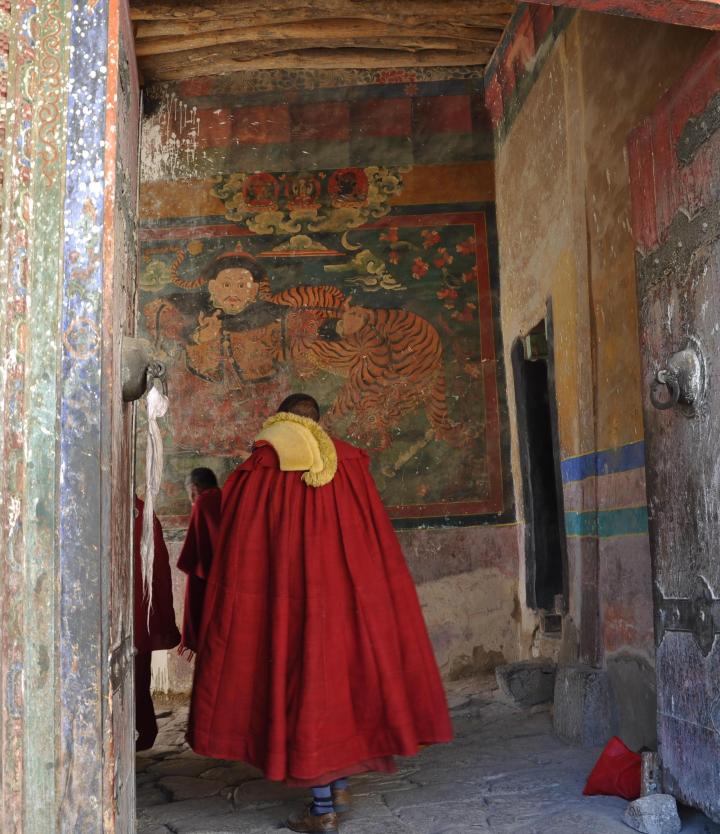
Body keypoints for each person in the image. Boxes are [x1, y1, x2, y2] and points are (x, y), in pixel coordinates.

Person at [187, 394, 452, 832]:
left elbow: (240, 540)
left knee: (306, 690)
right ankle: (340, 784)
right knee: (339, 689)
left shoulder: (261, 466)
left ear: (280, 419)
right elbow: (370, 534)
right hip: (345, 597)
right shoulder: (347, 460)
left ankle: (323, 807)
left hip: (287, 599)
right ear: (318, 422)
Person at [134, 495, 181, 750]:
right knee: (138, 675)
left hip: (129, 614)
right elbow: (160, 570)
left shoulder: (139, 512)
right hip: (137, 614)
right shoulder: (141, 512)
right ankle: (139, 734)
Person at [177, 467, 222, 657]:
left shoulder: (203, 502)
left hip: (211, 582)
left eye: (190, 495)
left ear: (194, 489)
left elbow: (194, 558)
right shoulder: (229, 497)